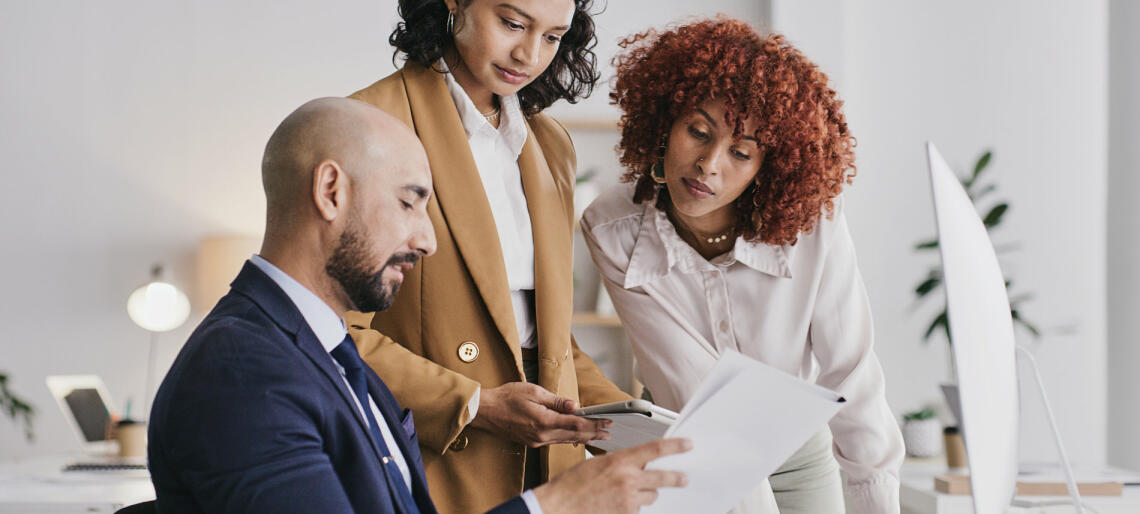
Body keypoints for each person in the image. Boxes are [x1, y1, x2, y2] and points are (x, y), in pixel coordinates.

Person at [147, 97, 689, 513]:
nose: (428, 242)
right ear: (331, 190)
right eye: (409, 202)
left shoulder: (325, 351)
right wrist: (555, 505)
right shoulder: (244, 372)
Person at [580, 19, 905, 514]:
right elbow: (690, 386)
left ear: (766, 168)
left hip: (799, 456)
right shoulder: (612, 228)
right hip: (686, 448)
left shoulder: (812, 226)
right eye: (698, 132)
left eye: (740, 152)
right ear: (665, 121)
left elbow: (852, 374)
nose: (709, 164)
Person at [345, 1, 631, 511]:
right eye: (513, 24)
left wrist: (631, 422)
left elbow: (545, 337)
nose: (529, 54)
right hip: (434, 459)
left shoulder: (550, 143)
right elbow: (331, 331)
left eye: (553, 37)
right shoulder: (372, 124)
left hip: (549, 470)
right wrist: (472, 403)